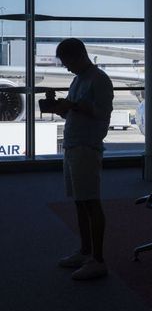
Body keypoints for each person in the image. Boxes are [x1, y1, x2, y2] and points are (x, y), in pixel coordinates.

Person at [48, 38, 114, 280]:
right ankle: (86, 251)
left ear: (79, 56)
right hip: (74, 146)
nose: (66, 68)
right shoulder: (78, 80)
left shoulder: (99, 80)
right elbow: (76, 111)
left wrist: (74, 105)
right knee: (80, 201)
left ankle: (98, 259)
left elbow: (102, 113)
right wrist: (63, 108)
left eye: (67, 62)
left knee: (91, 202)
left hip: (87, 147)